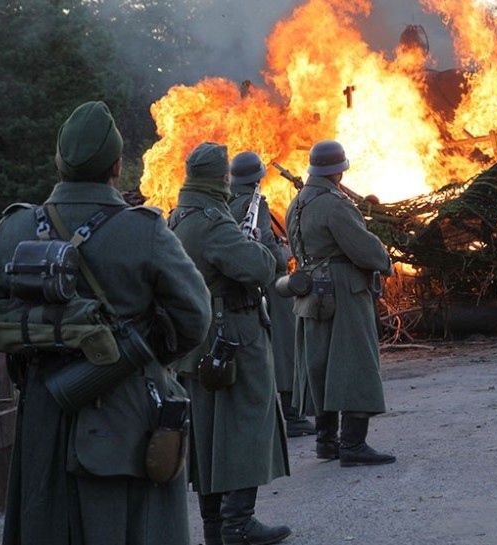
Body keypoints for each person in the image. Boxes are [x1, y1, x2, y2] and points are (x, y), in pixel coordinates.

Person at [0, 101, 212, 545]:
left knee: (45, 525)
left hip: (42, 418)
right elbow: (194, 318)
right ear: (117, 166)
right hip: (126, 413)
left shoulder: (13, 230)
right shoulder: (144, 230)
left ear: (60, 164)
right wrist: (138, 358)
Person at [169, 143, 290, 545]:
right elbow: (260, 266)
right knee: (245, 427)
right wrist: (253, 243)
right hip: (234, 336)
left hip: (197, 340)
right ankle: (239, 523)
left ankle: (215, 527)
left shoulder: (177, 216)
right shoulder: (213, 222)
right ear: (219, 178)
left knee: (207, 436)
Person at [284, 139, 396, 467]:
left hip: (311, 294)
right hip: (344, 291)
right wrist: (384, 260)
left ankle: (326, 441)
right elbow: (363, 249)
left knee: (320, 365)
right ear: (339, 172)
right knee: (354, 363)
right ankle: (353, 445)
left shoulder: (298, 202)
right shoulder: (336, 204)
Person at [227, 151, 315, 438]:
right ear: (257, 179)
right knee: (286, 347)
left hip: (240, 287)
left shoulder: (223, 203)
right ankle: (293, 415)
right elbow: (266, 246)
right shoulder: (255, 205)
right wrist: (286, 252)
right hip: (270, 286)